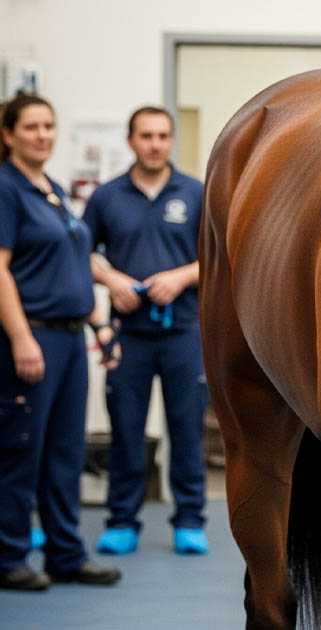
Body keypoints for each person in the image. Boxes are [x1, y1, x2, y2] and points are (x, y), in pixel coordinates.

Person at [0, 93, 122, 590]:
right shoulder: (6, 189)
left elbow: (72, 266)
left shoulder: (50, 188)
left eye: (49, 125)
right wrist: (21, 337)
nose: (43, 134)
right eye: (31, 127)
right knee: (19, 450)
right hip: (33, 339)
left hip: (72, 341)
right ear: (8, 134)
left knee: (65, 453)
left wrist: (101, 324)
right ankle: (8, 557)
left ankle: (65, 553)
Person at [83, 106, 209, 556]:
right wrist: (112, 279)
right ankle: (121, 522)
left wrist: (179, 277)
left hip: (184, 334)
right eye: (146, 135)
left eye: (162, 136)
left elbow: (217, 258)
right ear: (131, 140)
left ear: (170, 140)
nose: (155, 143)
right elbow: (82, 254)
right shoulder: (106, 196)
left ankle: (190, 521)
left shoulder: (195, 192)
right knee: (126, 433)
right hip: (127, 336)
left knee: (187, 430)